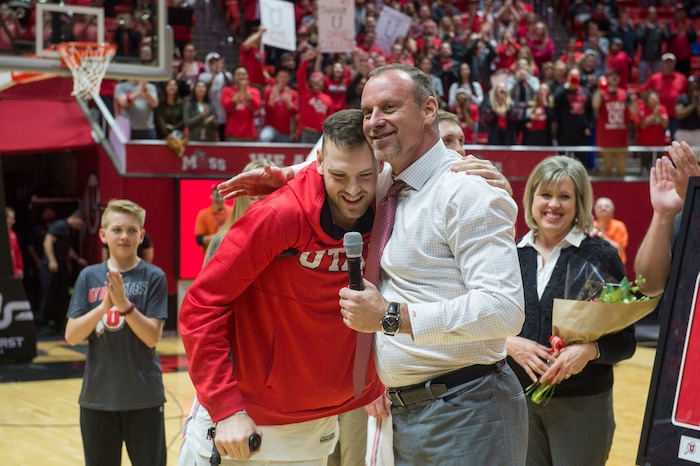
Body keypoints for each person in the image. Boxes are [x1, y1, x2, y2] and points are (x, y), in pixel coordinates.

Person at [339, 64, 527, 465]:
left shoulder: (467, 191)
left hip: (470, 409)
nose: (374, 122)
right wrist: (280, 175)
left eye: (388, 107)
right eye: (367, 111)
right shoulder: (389, 185)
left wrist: (390, 317)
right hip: (408, 413)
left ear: (429, 110)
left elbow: (504, 310)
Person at [178, 110, 386, 464]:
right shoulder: (279, 216)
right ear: (318, 163)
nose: (353, 190)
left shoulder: (389, 206)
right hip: (244, 427)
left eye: (364, 175)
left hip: (320, 425)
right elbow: (200, 307)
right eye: (339, 175)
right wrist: (226, 408)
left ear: (381, 167)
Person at [507, 156, 635, 466]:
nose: (554, 205)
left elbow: (627, 341)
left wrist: (590, 350)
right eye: (546, 195)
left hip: (583, 405)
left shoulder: (601, 255)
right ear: (532, 198)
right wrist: (508, 343)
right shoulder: (509, 254)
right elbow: (482, 325)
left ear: (580, 203)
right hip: (516, 403)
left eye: (565, 196)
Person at [64, 199, 167, 466]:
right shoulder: (88, 276)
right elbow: (72, 335)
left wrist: (123, 305)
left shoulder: (154, 277)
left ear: (142, 236)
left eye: (132, 230)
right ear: (103, 234)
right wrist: (103, 307)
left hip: (144, 398)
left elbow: (152, 337)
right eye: (118, 229)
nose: (124, 236)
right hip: (97, 399)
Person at [635, 141, 700, 298]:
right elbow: (648, 285)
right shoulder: (683, 213)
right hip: (681, 320)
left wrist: (696, 201)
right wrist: (663, 214)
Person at [38, 209, 87, 334]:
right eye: (79, 224)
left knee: (60, 295)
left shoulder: (68, 230)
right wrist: (52, 260)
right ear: (75, 219)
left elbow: (67, 249)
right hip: (51, 267)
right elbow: (47, 241)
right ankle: (42, 323)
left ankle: (58, 323)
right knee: (48, 294)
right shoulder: (59, 226)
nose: (78, 227)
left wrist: (77, 259)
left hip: (61, 268)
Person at [591, 68, 634, 177]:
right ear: (607, 78)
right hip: (606, 140)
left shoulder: (625, 94)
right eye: (611, 76)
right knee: (607, 170)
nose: (614, 78)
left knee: (621, 171)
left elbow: (634, 111)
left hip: (621, 140)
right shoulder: (601, 93)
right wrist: (599, 88)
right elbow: (595, 105)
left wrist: (633, 100)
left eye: (616, 75)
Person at [222, 66, 261, 142]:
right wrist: (241, 91)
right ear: (233, 76)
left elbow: (256, 107)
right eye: (238, 74)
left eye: (244, 74)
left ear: (248, 76)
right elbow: (227, 106)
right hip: (232, 133)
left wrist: (246, 91)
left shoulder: (254, 91)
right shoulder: (226, 91)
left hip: (249, 134)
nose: (241, 76)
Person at [194, 184, 232, 255]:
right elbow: (199, 240)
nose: (219, 194)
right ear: (211, 195)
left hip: (229, 254)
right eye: (216, 192)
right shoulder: (203, 214)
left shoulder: (232, 211)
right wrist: (221, 238)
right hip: (210, 256)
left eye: (221, 193)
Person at [593, 197, 629, 266]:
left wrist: (603, 236)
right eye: (600, 206)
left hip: (614, 265)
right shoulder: (591, 225)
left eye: (606, 206)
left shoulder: (619, 226)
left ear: (612, 211)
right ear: (595, 211)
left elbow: (619, 249)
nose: (603, 208)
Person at [6, 207, 24, 279]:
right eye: (11, 219)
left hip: (14, 273)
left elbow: (17, 252)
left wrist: (20, 268)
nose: (13, 222)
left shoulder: (13, 234)